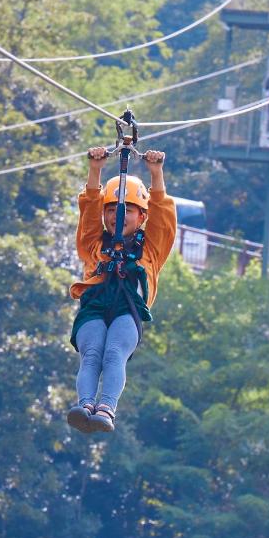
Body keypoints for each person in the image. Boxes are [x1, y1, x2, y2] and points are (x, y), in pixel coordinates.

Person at [67, 148, 176, 434]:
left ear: (142, 217)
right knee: (92, 353)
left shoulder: (150, 249)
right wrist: (95, 170)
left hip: (129, 307)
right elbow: (89, 209)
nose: (118, 216)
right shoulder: (93, 244)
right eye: (112, 209)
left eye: (127, 210)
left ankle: (106, 408)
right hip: (94, 304)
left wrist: (156, 174)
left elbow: (163, 216)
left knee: (113, 352)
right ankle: (86, 405)